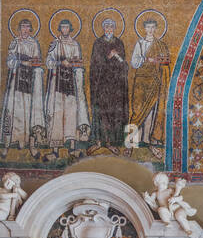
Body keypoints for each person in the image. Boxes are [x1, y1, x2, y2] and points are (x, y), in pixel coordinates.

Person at [44, 18, 90, 157]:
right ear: (60, 29)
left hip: (71, 84)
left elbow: (78, 61)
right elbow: (48, 62)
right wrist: (60, 62)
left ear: (70, 29)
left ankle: (72, 147)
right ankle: (55, 150)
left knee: (71, 114)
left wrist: (75, 64)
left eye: (67, 27)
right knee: (57, 114)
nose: (64, 30)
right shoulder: (55, 43)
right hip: (57, 83)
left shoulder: (75, 44)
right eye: (62, 27)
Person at [0, 17, 45, 155]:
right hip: (15, 81)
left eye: (27, 27)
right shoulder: (15, 42)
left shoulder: (34, 43)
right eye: (23, 27)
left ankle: (30, 145)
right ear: (19, 29)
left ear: (30, 29)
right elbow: (9, 61)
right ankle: (6, 145)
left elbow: (37, 59)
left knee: (29, 112)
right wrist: (21, 62)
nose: (25, 30)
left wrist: (33, 63)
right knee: (13, 110)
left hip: (29, 82)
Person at [129, 18, 171, 153]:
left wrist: (160, 61)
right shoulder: (140, 44)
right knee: (137, 110)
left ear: (156, 29)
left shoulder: (160, 45)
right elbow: (134, 63)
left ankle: (147, 140)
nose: (151, 30)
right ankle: (131, 142)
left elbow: (166, 61)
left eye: (153, 27)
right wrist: (147, 59)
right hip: (141, 81)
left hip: (154, 80)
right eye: (148, 27)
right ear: (144, 29)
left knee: (151, 111)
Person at [89, 17, 129, 149]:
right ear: (103, 28)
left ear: (114, 29)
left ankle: (114, 142)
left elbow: (123, 62)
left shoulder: (119, 43)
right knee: (103, 113)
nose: (109, 29)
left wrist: (120, 62)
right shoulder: (98, 43)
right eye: (106, 27)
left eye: (111, 27)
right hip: (103, 85)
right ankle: (102, 141)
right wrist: (109, 57)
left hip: (116, 85)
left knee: (116, 113)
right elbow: (95, 63)